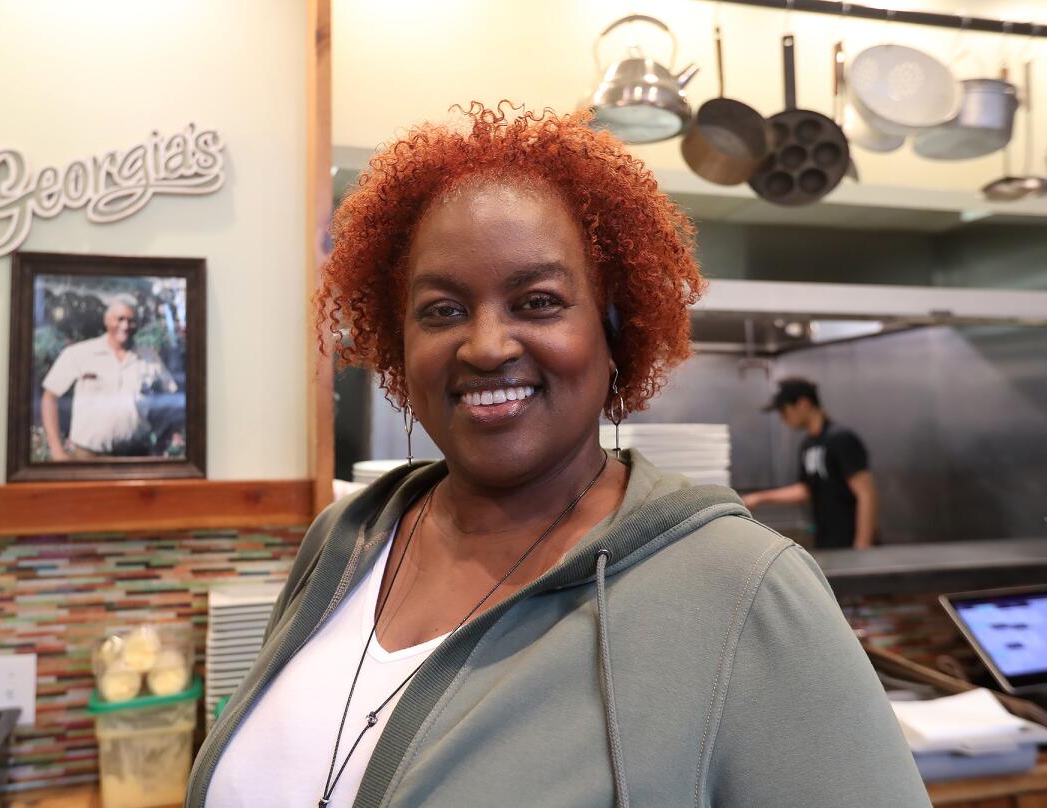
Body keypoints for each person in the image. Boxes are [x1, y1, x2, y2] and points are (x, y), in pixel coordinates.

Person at [187, 103, 928, 808]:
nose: (485, 345)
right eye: (441, 310)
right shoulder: (347, 540)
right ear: (396, 342)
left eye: (538, 301)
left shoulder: (743, 591)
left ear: (615, 332)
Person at [743, 377, 878, 550]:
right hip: (828, 542)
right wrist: (760, 498)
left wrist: (862, 547)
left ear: (803, 403)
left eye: (784, 411)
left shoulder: (841, 438)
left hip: (850, 544)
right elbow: (807, 490)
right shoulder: (809, 444)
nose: (783, 419)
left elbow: (866, 494)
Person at [40, 295, 178, 460]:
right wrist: (57, 450)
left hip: (136, 455)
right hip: (88, 455)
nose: (125, 326)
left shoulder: (149, 358)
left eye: (131, 320)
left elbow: (172, 400)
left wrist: (163, 439)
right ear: (107, 320)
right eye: (119, 319)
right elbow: (49, 397)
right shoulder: (79, 354)